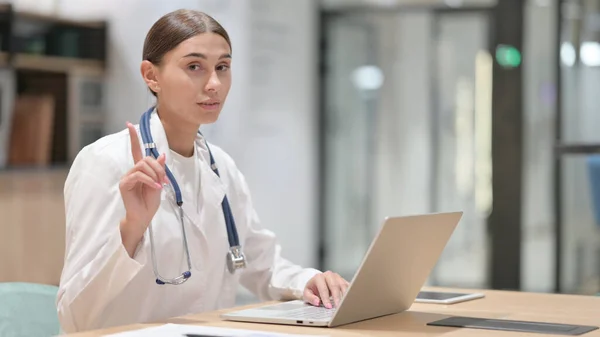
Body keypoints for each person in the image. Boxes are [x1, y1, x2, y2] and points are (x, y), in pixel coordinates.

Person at [56, 9, 348, 333]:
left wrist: (310, 280)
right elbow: (73, 316)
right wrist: (131, 229)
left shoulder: (220, 166)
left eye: (222, 67)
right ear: (151, 76)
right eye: (194, 67)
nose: (214, 84)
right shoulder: (106, 162)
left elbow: (257, 261)